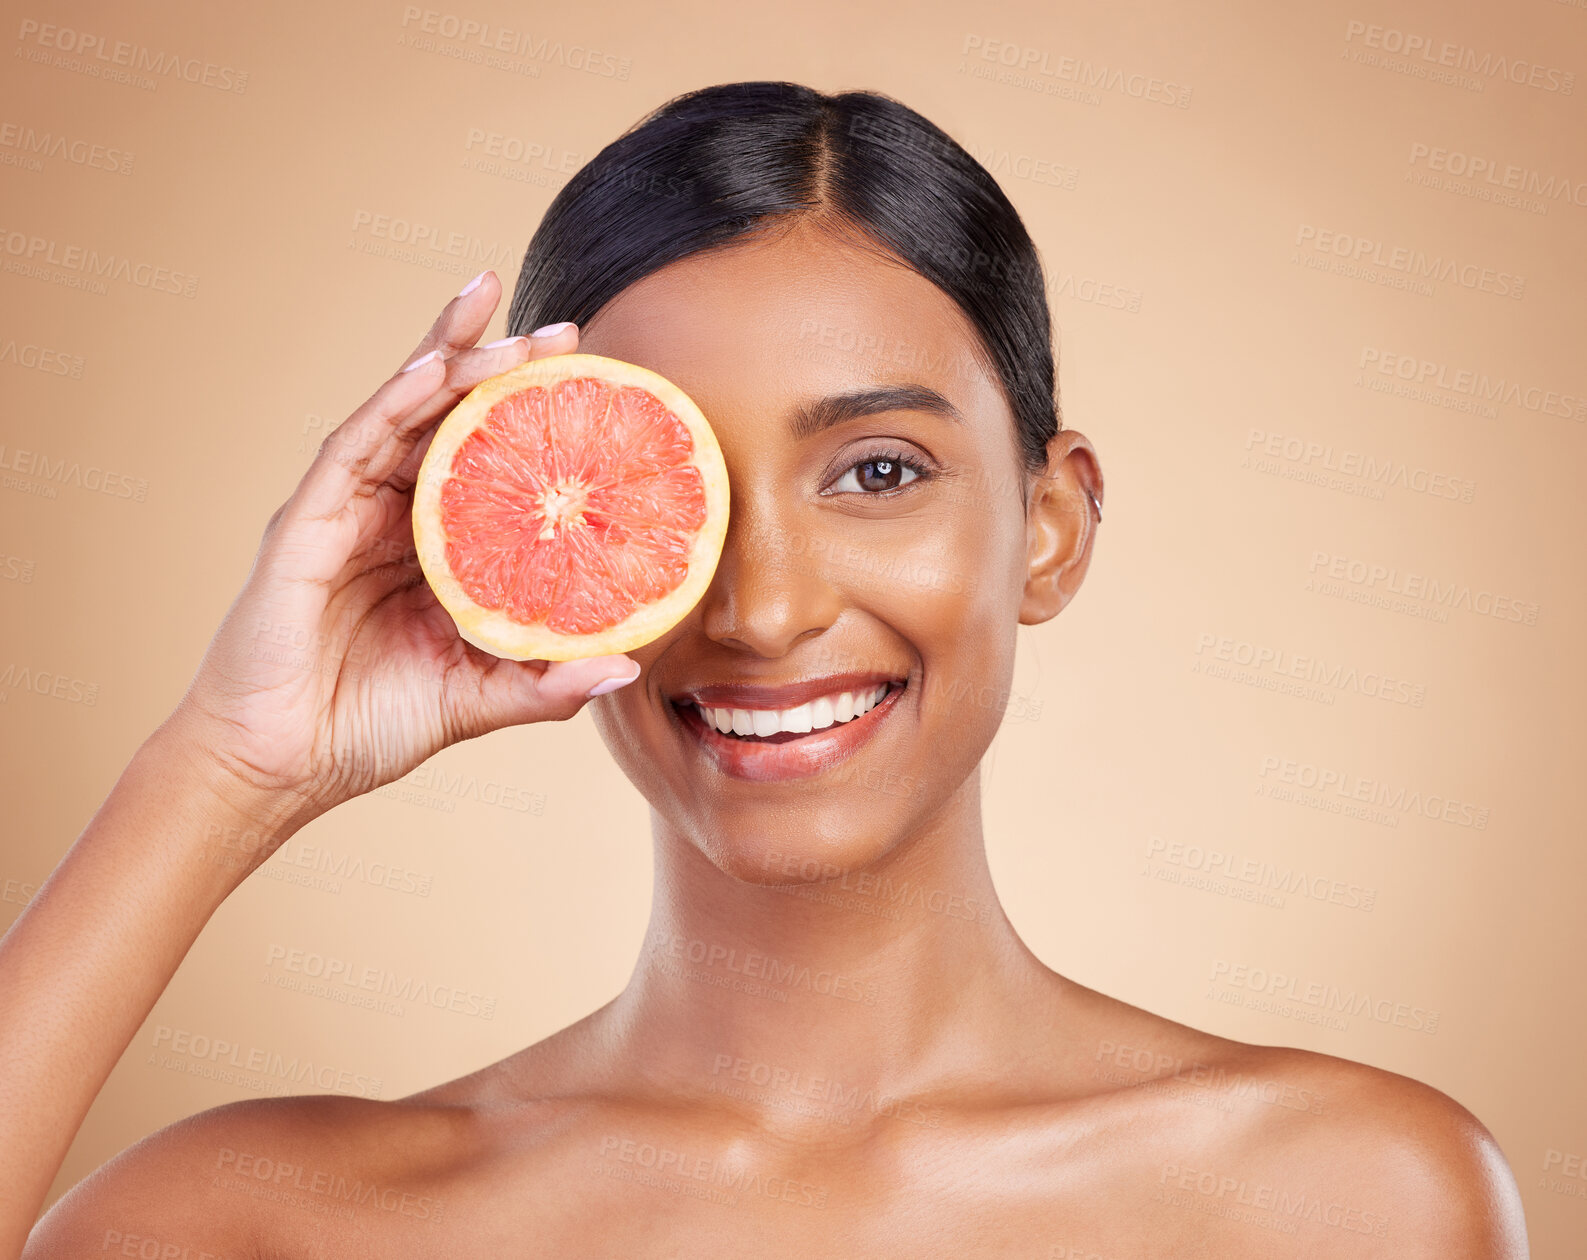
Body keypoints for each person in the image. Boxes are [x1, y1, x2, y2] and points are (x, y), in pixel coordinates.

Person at [4, 81, 1526, 1258]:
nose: (761, 606)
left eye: (875, 471)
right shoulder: (266, 1217)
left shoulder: (1342, 1195)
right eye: (672, 493)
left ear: (1051, 528)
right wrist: (225, 768)